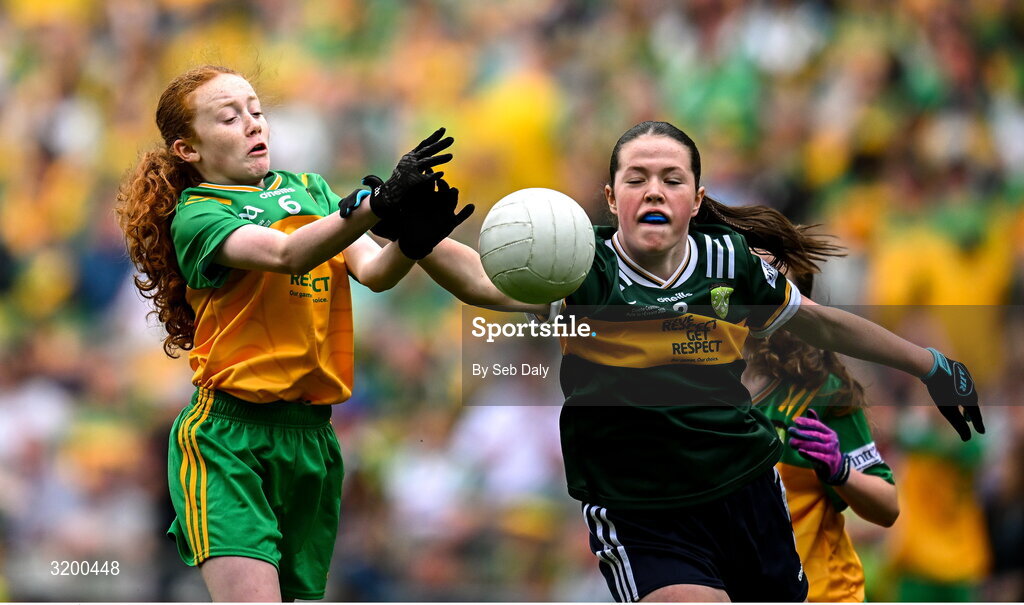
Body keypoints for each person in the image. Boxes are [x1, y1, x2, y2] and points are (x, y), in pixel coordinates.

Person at [391, 120, 984, 602]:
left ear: (695, 198)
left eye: (671, 178)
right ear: (611, 196)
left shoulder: (729, 263)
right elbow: (481, 283)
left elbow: (822, 322)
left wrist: (930, 366)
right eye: (637, 177)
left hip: (745, 494)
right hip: (644, 514)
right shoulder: (578, 264)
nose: (653, 189)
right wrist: (419, 239)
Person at [114, 65, 472, 601]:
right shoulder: (197, 215)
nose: (253, 124)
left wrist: (412, 241)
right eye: (229, 117)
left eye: (256, 112)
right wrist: (376, 204)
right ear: (187, 148)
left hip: (311, 440)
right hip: (228, 439)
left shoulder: (311, 191)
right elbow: (285, 253)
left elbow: (374, 273)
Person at [742, 271, 899, 602]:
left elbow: (887, 506)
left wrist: (840, 471)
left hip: (823, 594)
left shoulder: (819, 392)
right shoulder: (698, 385)